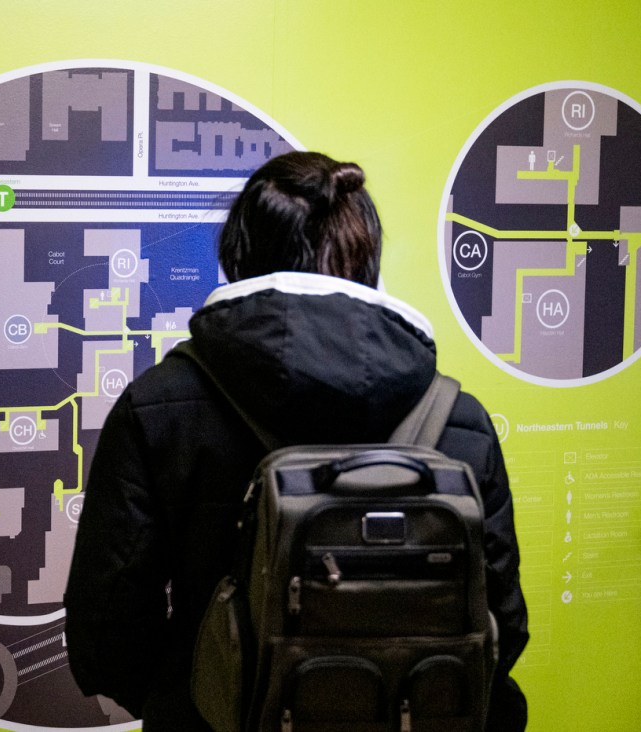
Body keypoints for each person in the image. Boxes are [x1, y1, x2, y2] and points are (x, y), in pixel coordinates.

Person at [63, 151, 529, 730]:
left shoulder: (158, 408)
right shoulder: (457, 420)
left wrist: (199, 699)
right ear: (369, 262)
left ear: (238, 257)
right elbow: (501, 623)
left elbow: (104, 629)